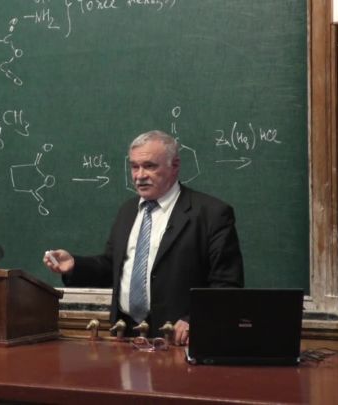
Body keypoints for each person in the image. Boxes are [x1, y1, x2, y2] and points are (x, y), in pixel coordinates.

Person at [44, 130, 244, 345]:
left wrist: (195, 319)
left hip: (176, 339)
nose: (140, 175)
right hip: (125, 335)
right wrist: (74, 265)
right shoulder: (128, 211)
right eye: (134, 166)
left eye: (149, 166)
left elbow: (227, 286)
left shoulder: (211, 214)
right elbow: (113, 267)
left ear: (175, 166)